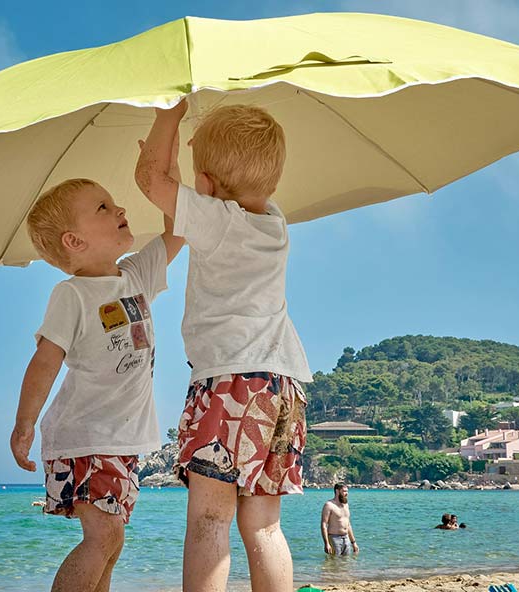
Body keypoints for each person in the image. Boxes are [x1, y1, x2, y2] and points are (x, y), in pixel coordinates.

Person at [136, 99, 311, 592]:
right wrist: (193, 173)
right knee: (264, 525)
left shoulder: (217, 221)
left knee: (210, 520)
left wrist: (168, 117)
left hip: (231, 381)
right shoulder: (274, 223)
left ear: (208, 186)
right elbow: (178, 193)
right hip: (284, 385)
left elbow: (152, 181)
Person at [9, 172, 184, 592]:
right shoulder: (72, 295)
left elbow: (179, 229)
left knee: (113, 540)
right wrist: (24, 423)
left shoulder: (136, 275)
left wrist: (169, 169)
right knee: (102, 537)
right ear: (74, 242)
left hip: (122, 441)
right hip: (85, 435)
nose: (120, 210)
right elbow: (45, 361)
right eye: (103, 208)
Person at [320, 484, 359, 555]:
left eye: (347, 491)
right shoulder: (329, 505)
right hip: (334, 538)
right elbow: (324, 525)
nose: (346, 493)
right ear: (337, 491)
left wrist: (353, 542)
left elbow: (348, 525)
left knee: (345, 563)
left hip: (346, 538)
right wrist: (326, 543)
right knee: (334, 562)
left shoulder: (346, 505)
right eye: (344, 491)